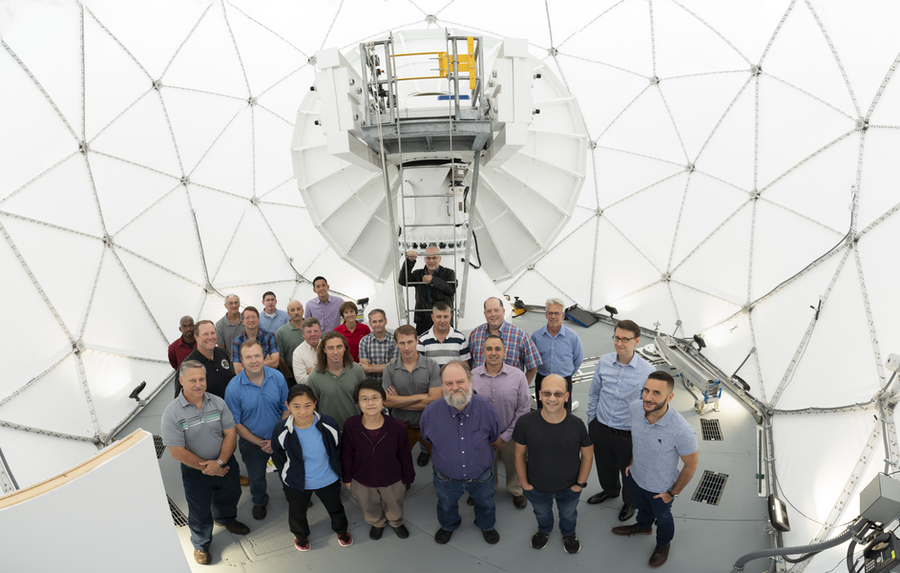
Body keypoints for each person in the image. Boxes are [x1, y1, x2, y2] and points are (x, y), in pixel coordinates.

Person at [161, 360, 249, 565]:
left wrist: (220, 462)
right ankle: (201, 544)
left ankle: (226, 519)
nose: (198, 384)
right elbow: (177, 452)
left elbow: (230, 433)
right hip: (195, 472)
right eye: (192, 380)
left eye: (202, 379)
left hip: (225, 463)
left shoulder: (218, 402)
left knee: (231, 493)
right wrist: (209, 468)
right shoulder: (172, 414)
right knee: (199, 510)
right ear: (182, 381)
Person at [612, 371, 699, 568]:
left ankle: (662, 544)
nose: (648, 397)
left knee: (664, 519)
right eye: (646, 390)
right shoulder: (636, 408)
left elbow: (691, 465)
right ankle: (643, 527)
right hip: (635, 477)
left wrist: (672, 493)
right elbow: (639, 439)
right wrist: (632, 463)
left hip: (661, 489)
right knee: (642, 508)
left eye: (656, 393)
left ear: (670, 397)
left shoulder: (682, 431)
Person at [420, 361, 501, 545]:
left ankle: (486, 525)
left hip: (482, 477)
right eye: (449, 383)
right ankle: (448, 525)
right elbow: (427, 437)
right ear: (442, 386)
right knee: (446, 505)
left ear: (471, 382)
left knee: (486, 504)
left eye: (460, 381)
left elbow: (494, 435)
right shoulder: (430, 413)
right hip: (446, 478)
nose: (455, 387)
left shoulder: (487, 409)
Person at [586, 319, 656, 523]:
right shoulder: (604, 362)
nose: (619, 343)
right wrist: (592, 422)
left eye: (625, 339)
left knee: (629, 472)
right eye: (617, 337)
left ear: (637, 341)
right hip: (602, 427)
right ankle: (610, 491)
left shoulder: (647, 371)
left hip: (628, 433)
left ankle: (630, 502)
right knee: (604, 466)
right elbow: (594, 394)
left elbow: (650, 408)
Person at [514, 374, 592, 554]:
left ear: (566, 396)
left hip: (569, 487)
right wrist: (524, 484)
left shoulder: (577, 425)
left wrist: (579, 485)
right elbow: (519, 454)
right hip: (537, 487)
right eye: (547, 393)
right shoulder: (525, 423)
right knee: (542, 513)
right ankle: (544, 530)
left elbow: (587, 455)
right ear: (539, 395)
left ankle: (569, 533)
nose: (552, 398)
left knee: (569, 514)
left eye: (558, 394)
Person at [271, 384, 352, 551]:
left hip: (328, 478)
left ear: (315, 403)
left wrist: (341, 473)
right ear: (288, 406)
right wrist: (286, 479)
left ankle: (341, 531)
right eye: (296, 406)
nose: (303, 411)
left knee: (336, 508)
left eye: (308, 405)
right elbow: (279, 458)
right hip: (297, 483)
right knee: (297, 513)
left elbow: (338, 449)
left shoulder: (329, 423)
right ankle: (301, 536)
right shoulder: (281, 430)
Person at [341, 380, 415, 540]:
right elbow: (346, 453)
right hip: (362, 478)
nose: (370, 403)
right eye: (364, 398)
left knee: (394, 502)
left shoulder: (398, 427)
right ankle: (377, 523)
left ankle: (396, 521)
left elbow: (404, 455)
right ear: (358, 402)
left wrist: (408, 477)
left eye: (375, 397)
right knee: (369, 505)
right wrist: (346, 477)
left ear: (383, 400)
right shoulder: (350, 425)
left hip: (392, 478)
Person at [224, 340, 289, 521]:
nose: (254, 361)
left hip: (280, 438)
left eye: (257, 355)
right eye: (248, 357)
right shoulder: (233, 388)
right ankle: (259, 501)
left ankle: (292, 494)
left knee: (287, 469)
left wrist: (275, 439)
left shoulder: (277, 377)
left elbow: (287, 408)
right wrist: (261, 442)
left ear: (264, 356)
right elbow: (236, 424)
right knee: (256, 477)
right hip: (252, 444)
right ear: (241, 360)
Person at [471, 335, 531, 509]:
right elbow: (470, 410)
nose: (493, 353)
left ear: (504, 352)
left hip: (511, 435)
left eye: (497, 349)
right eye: (489, 349)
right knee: (485, 467)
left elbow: (523, 409)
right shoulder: (472, 377)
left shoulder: (518, 376)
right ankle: (487, 490)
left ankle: (516, 491)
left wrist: (505, 436)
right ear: (483, 352)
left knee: (515, 464)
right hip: (483, 437)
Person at [382, 325, 441, 467]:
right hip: (401, 426)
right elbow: (387, 402)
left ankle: (442, 487)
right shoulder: (389, 369)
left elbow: (434, 400)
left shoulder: (432, 366)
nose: (406, 347)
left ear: (417, 341)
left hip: (429, 426)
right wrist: (422, 396)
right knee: (399, 462)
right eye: (402, 343)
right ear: (396, 344)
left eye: (410, 342)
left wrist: (399, 401)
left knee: (440, 463)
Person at [468, 297, 541, 383]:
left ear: (503, 311)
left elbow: (533, 364)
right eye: (489, 311)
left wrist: (523, 387)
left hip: (509, 394)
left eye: (496, 310)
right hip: (480, 393)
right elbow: (468, 364)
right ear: (484, 314)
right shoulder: (475, 334)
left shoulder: (519, 335)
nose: (493, 314)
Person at [531, 298, 584, 412]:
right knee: (542, 411)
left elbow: (578, 359)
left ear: (563, 315)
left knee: (564, 413)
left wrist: (567, 375)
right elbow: (531, 359)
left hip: (564, 381)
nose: (553, 316)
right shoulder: (536, 336)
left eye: (557, 313)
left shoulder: (572, 337)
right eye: (550, 313)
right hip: (542, 379)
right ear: (546, 315)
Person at [305, 331, 365, 429]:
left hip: (356, 428)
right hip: (328, 430)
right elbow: (312, 407)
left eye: (339, 346)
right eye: (330, 348)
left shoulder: (357, 370)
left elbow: (364, 398)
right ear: (324, 350)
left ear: (345, 348)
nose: (336, 352)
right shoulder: (314, 376)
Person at [398, 245, 456, 335]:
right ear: (424, 259)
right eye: (428, 258)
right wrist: (409, 261)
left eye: (434, 258)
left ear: (440, 259)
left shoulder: (449, 273)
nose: (431, 261)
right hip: (423, 321)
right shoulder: (418, 274)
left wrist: (432, 280)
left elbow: (451, 290)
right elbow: (403, 281)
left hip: (443, 320)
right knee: (422, 347)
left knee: (444, 346)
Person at [181, 320, 235, 399]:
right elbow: (182, 398)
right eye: (205, 334)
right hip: (209, 410)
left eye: (212, 333)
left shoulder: (222, 353)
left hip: (231, 407)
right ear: (196, 337)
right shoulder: (189, 365)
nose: (210, 337)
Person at [417, 301, 470, 366]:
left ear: (450, 316)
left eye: (445, 317)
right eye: (439, 317)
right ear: (432, 317)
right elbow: (420, 367)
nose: (442, 321)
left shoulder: (460, 339)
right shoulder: (422, 340)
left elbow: (465, 367)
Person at [231, 306, 279, 375]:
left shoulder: (270, 336)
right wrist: (265, 361)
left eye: (254, 317)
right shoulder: (237, 343)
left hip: (270, 376)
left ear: (258, 319)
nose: (251, 320)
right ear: (243, 321)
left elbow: (275, 363)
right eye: (247, 317)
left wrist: (247, 365)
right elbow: (238, 371)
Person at [358, 308, 398, 381]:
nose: (378, 324)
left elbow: (394, 367)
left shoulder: (395, 340)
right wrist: (386, 366)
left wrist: (369, 368)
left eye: (380, 321)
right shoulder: (364, 341)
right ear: (370, 323)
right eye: (374, 322)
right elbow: (364, 368)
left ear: (386, 321)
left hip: (391, 383)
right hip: (371, 383)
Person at [275, 300, 305, 386]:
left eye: (298, 309)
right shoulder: (281, 332)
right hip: (292, 372)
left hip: (312, 371)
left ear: (302, 311)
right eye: (292, 310)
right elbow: (281, 358)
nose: (296, 312)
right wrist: (290, 377)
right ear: (288, 313)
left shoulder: (312, 327)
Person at [292, 317, 321, 385]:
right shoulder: (298, 353)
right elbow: (301, 381)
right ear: (303, 334)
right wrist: (325, 373)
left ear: (320, 332)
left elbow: (335, 370)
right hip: (311, 392)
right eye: (309, 332)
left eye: (315, 331)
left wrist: (312, 371)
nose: (313, 334)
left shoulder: (329, 347)